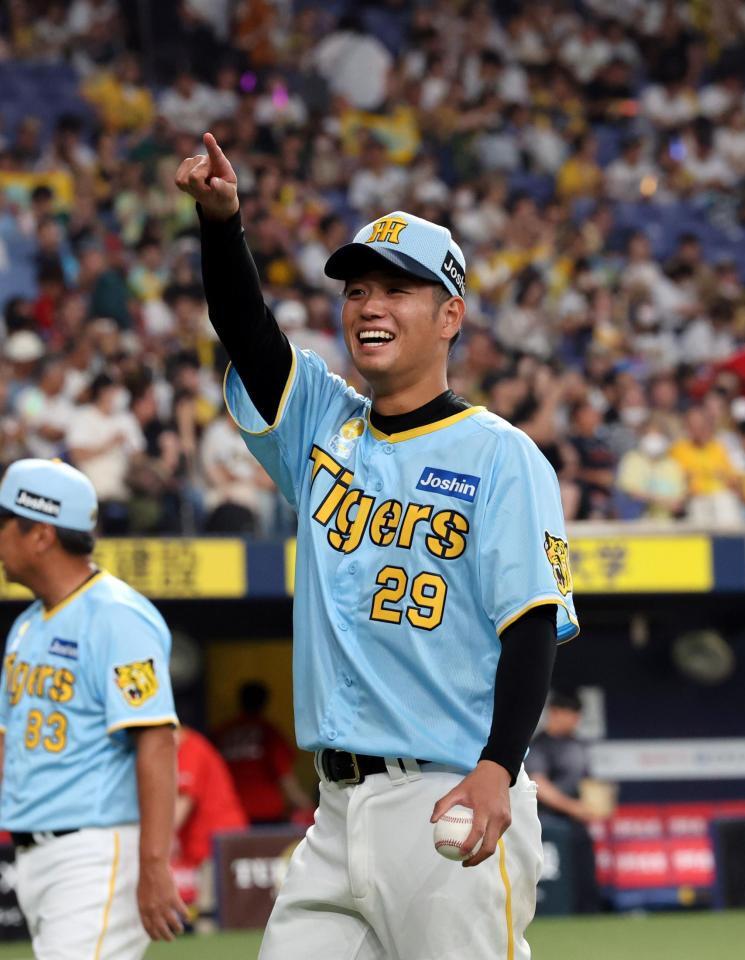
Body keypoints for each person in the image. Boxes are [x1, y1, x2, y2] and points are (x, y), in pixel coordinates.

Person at [176, 133, 579, 960]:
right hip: (334, 811)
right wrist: (222, 226)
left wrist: (500, 767)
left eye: (399, 289)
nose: (370, 306)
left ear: (451, 316)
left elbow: (531, 624)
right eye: (358, 289)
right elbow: (249, 336)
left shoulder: (500, 453)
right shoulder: (323, 422)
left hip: (448, 793)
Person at [0, 458, 188, 958]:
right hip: (33, 854)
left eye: (4, 523)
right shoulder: (25, 627)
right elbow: (9, 744)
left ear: (40, 534)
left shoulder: (116, 617)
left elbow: (156, 740)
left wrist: (153, 865)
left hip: (96, 853)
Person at [526, 690, 603, 914]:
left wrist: (596, 803)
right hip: (547, 826)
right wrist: (574, 807)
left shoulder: (578, 744)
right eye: (570, 714)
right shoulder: (539, 744)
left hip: (577, 826)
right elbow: (539, 785)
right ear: (555, 712)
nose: (574, 720)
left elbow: (587, 782)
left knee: (584, 885)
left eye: (577, 715)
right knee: (557, 892)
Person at [214, 681, 314, 825]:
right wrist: (311, 809)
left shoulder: (221, 733)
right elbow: (286, 781)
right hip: (266, 816)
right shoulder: (268, 733)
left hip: (229, 814)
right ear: (264, 702)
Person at [172, 726, 246, 913]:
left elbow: (182, 803)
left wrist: (160, 841)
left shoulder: (191, 748)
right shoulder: (182, 748)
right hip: (201, 842)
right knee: (200, 908)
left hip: (217, 840)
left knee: (209, 910)